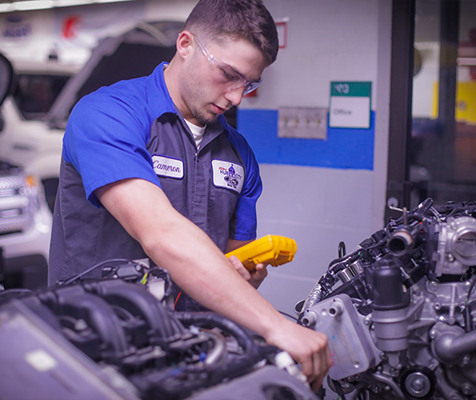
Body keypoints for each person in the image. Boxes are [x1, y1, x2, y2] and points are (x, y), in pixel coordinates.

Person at [48, 0, 331, 390]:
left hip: (191, 351)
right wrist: (275, 325)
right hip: (94, 345)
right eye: (228, 75)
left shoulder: (239, 152)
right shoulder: (108, 114)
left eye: (248, 84)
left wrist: (244, 276)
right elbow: (161, 232)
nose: (236, 97)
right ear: (185, 44)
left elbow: (236, 270)